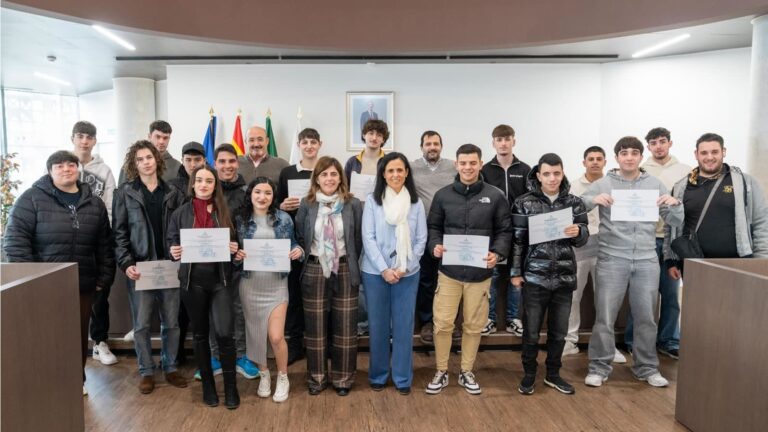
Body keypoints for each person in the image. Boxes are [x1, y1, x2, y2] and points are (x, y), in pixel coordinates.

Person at [4, 150, 116, 397]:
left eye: (70, 165)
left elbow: (105, 246)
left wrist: (104, 279)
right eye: (59, 166)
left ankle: (77, 380)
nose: (66, 169)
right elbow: (15, 242)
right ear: (50, 171)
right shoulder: (31, 199)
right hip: (44, 286)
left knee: (77, 339)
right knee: (45, 337)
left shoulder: (93, 203)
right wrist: (31, 279)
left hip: (83, 285)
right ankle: (46, 382)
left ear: (78, 169)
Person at [582, 136, 683, 388]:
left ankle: (646, 367)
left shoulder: (653, 183)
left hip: (647, 259)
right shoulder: (605, 182)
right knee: (605, 317)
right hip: (611, 258)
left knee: (646, 317)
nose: (629, 157)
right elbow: (578, 204)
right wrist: (592, 200)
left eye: (634, 153)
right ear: (617, 157)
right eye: (624, 153)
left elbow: (675, 221)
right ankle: (599, 367)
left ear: (640, 157)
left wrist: (674, 204)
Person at [425, 144, 512, 396]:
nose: (467, 167)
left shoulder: (495, 196)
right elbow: (433, 227)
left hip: (479, 274)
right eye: (463, 163)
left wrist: (498, 252)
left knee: (473, 326)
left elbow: (505, 231)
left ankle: (466, 371)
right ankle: (441, 371)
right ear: (456, 165)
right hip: (449, 272)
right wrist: (435, 246)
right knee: (442, 324)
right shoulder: (443, 195)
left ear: (480, 164)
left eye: (472, 163)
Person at [510, 153, 589, 396]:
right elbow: (517, 241)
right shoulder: (524, 202)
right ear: (538, 175)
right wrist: (515, 272)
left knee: (559, 332)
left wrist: (579, 231)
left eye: (556, 173)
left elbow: (582, 239)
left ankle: (553, 374)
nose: (552, 178)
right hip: (534, 277)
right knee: (531, 331)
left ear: (562, 173)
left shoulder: (575, 203)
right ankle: (529, 374)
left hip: (564, 277)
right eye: (547, 174)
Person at [112, 140, 187, 394]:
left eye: (149, 157)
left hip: (169, 267)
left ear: (157, 159)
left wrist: (179, 250)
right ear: (134, 165)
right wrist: (126, 263)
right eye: (140, 159)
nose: (145, 162)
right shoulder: (124, 193)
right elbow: (119, 233)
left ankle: (170, 367)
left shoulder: (173, 192)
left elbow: (181, 229)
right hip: (140, 268)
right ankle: (146, 370)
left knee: (172, 323)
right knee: (142, 325)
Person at [167, 165, 242, 409]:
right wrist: (173, 250)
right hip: (192, 282)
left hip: (220, 281)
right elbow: (171, 241)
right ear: (193, 183)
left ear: (215, 185)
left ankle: (231, 387)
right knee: (199, 335)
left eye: (209, 181)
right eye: (199, 180)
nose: (203, 184)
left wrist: (234, 249)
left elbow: (236, 244)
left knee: (224, 334)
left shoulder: (224, 211)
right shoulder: (180, 213)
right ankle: (208, 386)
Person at [295, 156, 363, 396]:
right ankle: (317, 378)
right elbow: (301, 236)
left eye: (334, 174)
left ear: (340, 178)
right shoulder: (307, 204)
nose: (329, 179)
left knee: (345, 327)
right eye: (324, 174)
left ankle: (343, 379)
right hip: (314, 268)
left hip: (344, 268)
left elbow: (357, 240)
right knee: (315, 328)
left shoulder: (352, 204)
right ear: (317, 179)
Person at [361, 152, 427, 395]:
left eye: (400, 170)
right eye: (390, 171)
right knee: (377, 326)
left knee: (403, 326)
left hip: (407, 273)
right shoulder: (372, 201)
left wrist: (404, 267)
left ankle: (402, 377)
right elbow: (368, 238)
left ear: (407, 172)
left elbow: (421, 240)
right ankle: (378, 375)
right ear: (383, 174)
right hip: (375, 273)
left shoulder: (416, 203)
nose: (395, 175)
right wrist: (385, 269)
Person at [234, 177, 304, 403]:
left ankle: (283, 376)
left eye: (267, 193)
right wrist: (236, 256)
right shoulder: (240, 219)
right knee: (256, 336)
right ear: (250, 194)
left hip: (276, 284)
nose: (262, 197)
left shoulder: (283, 218)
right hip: (250, 284)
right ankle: (264, 374)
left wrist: (297, 251)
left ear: (273, 197)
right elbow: (233, 251)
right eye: (257, 192)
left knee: (275, 336)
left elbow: (294, 243)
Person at [624, 127, 691, 359]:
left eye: (662, 141)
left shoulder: (685, 171)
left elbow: (686, 206)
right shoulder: (640, 170)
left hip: (671, 241)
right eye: (653, 143)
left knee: (671, 294)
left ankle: (669, 341)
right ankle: (634, 340)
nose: (659, 146)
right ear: (648, 147)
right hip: (645, 239)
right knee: (642, 295)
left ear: (670, 143)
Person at [665, 133, 768, 272]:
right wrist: (671, 260)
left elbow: (761, 222)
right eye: (704, 153)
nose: (709, 157)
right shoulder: (680, 187)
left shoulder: (745, 183)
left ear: (723, 152)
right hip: (694, 264)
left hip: (739, 264)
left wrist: (761, 260)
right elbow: (671, 226)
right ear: (696, 154)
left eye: (715, 152)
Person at [564, 146, 627, 364]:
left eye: (599, 159)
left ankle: (607, 346)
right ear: (584, 162)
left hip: (607, 247)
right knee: (573, 296)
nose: (594, 162)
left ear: (605, 162)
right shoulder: (573, 186)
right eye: (590, 159)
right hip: (580, 247)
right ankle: (569, 341)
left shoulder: (615, 186)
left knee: (605, 298)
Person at [70, 120, 119, 367]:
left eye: (89, 137)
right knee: (69, 296)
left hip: (98, 241)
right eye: (80, 136)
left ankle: (99, 342)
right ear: (73, 139)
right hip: (68, 244)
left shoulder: (104, 170)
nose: (84, 141)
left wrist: (103, 233)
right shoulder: (64, 166)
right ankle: (70, 346)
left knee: (100, 294)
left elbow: (111, 205)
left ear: (94, 141)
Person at [211, 143, 259, 379]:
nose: (227, 166)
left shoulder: (247, 192)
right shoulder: (207, 188)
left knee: (240, 310)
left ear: (237, 164)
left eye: (231, 161)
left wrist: (243, 249)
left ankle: (241, 355)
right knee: (213, 310)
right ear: (215, 164)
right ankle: (215, 357)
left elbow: (255, 223)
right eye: (222, 161)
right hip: (210, 263)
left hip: (240, 261)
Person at [276, 128, 323, 364]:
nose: (309, 146)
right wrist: (282, 205)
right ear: (299, 145)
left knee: (320, 297)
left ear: (320, 145)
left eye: (313, 142)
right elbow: (275, 205)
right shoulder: (287, 172)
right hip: (293, 243)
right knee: (293, 295)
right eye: (305, 142)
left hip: (320, 242)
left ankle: (323, 345)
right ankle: (295, 345)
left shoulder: (326, 171)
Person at [480, 124, 530, 338]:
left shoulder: (525, 170)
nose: (503, 143)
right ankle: (489, 319)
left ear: (513, 141)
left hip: (519, 232)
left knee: (515, 276)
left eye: (507, 139)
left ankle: (513, 319)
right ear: (493, 143)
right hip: (494, 233)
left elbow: (531, 200)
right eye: (499, 139)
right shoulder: (485, 170)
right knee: (492, 276)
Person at [409, 131, 458, 345]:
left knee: (450, 279)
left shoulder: (453, 166)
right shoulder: (411, 168)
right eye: (428, 144)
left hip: (450, 231)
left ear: (441, 146)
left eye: (436, 143)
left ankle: (448, 322)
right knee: (427, 279)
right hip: (423, 231)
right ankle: (428, 322)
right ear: (421, 147)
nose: (432, 147)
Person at [344, 119, 388, 186]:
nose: (374, 138)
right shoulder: (352, 162)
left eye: (379, 135)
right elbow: (344, 186)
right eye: (371, 133)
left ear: (383, 139)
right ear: (364, 135)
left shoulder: (389, 162)